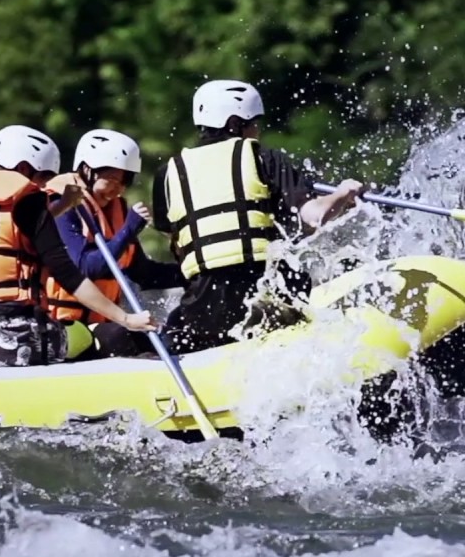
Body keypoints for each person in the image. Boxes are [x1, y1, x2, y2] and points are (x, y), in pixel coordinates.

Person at [151, 79, 364, 354]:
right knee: (295, 277)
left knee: (175, 325)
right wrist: (342, 194)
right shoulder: (264, 158)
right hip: (265, 302)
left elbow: (179, 245)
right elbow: (314, 217)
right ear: (234, 123)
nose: (257, 131)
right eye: (254, 123)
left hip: (204, 314)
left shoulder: (167, 175)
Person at [0, 124, 157, 369]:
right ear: (24, 168)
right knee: (87, 337)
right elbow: (69, 275)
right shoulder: (28, 202)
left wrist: (62, 206)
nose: (43, 188)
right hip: (15, 342)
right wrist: (125, 318)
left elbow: (15, 231)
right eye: (44, 178)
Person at [43, 129, 186, 360]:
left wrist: (192, 273)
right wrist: (128, 230)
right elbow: (86, 268)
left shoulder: (116, 210)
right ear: (87, 170)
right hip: (64, 326)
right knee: (123, 337)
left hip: (101, 324)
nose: (118, 188)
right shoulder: (61, 205)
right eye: (112, 178)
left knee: (166, 336)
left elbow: (145, 274)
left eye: (126, 180)